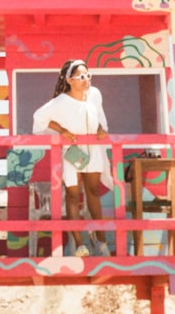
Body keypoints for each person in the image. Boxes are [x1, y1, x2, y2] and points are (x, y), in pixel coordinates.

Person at [32, 59, 111, 256]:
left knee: (93, 191)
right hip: (73, 152)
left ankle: (101, 242)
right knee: (73, 196)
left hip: (92, 150)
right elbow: (39, 118)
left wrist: (101, 129)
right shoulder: (60, 102)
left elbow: (99, 117)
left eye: (88, 75)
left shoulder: (94, 95)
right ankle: (80, 243)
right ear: (70, 80)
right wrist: (62, 130)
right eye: (81, 76)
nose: (86, 80)